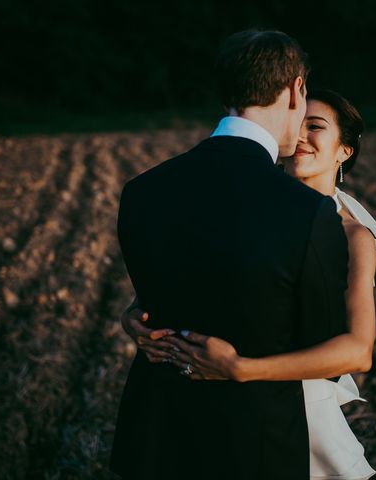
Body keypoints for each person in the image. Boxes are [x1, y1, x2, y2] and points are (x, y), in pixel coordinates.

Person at [111, 30, 352, 480]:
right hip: (253, 449)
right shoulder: (308, 212)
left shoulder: (142, 191)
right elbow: (322, 346)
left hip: (155, 439)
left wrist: (135, 316)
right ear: (297, 89)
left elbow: (163, 294)